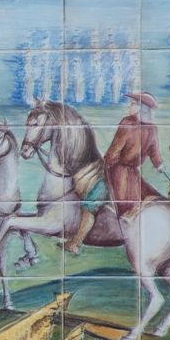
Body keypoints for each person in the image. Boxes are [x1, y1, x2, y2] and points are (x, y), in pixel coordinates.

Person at [65, 91, 160, 254]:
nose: (129, 106)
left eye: (132, 103)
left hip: (117, 173)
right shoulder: (153, 128)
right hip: (133, 176)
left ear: (141, 107)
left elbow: (115, 149)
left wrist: (106, 160)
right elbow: (154, 151)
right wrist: (159, 165)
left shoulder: (127, 123)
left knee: (90, 202)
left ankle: (75, 243)